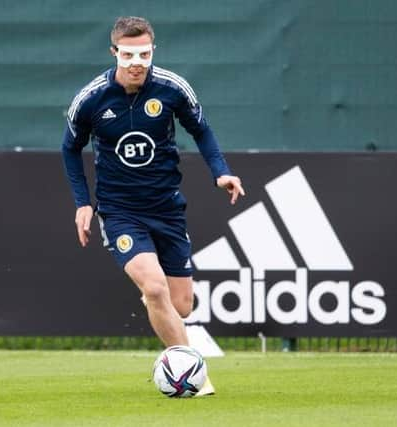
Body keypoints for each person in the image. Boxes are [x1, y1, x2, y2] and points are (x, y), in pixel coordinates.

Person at [61, 16, 245, 395]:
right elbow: (70, 148)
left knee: (182, 305)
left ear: (152, 52)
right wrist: (83, 204)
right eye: (128, 54)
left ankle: (158, 304)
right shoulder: (92, 99)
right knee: (156, 289)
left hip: (167, 209)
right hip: (120, 212)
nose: (136, 62)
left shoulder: (171, 88)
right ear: (114, 52)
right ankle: (193, 375)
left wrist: (221, 173)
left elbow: (201, 129)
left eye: (144, 54)